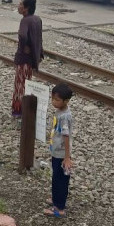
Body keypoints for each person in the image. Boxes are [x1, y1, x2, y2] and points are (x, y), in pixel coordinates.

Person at [45, 83, 74, 219]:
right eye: (53, 99)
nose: (53, 102)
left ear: (66, 101)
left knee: (60, 180)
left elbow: (66, 137)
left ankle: (59, 208)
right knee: (56, 177)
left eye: (57, 100)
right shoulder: (61, 111)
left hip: (62, 154)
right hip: (57, 151)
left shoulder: (64, 117)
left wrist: (67, 157)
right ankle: (56, 199)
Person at [12, 0, 43, 117]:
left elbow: (23, 35)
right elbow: (39, 39)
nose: (18, 6)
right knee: (27, 82)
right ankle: (25, 108)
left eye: (20, 4)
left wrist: (24, 47)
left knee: (20, 84)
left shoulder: (25, 20)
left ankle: (18, 110)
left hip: (23, 58)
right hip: (32, 59)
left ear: (26, 8)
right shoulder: (37, 19)